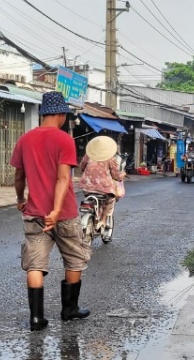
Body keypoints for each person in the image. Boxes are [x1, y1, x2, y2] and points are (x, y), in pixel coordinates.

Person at [11, 91, 90, 331]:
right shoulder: (64, 139)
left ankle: (37, 318)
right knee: (75, 260)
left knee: (35, 264)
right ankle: (69, 310)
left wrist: (19, 198)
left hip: (34, 214)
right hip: (64, 214)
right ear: (61, 114)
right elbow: (63, 177)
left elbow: (18, 175)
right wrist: (55, 210)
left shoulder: (25, 139)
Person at [76, 135, 125, 228]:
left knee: (89, 199)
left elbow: (82, 167)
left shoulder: (88, 155)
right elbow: (116, 176)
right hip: (104, 189)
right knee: (110, 200)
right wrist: (122, 174)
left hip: (86, 187)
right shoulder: (110, 158)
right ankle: (103, 220)